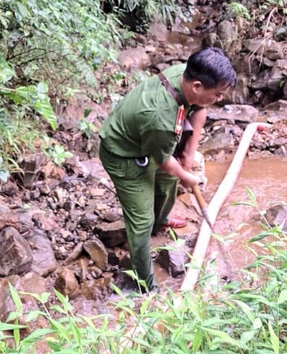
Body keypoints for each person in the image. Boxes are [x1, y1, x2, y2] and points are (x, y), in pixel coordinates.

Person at [99, 47, 237, 292]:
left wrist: (187, 155)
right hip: (123, 155)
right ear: (197, 86)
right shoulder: (160, 116)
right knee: (141, 223)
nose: (220, 100)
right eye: (217, 94)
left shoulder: (183, 77)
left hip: (150, 143)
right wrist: (186, 175)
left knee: (166, 183)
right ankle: (144, 287)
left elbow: (199, 111)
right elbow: (163, 161)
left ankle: (160, 222)